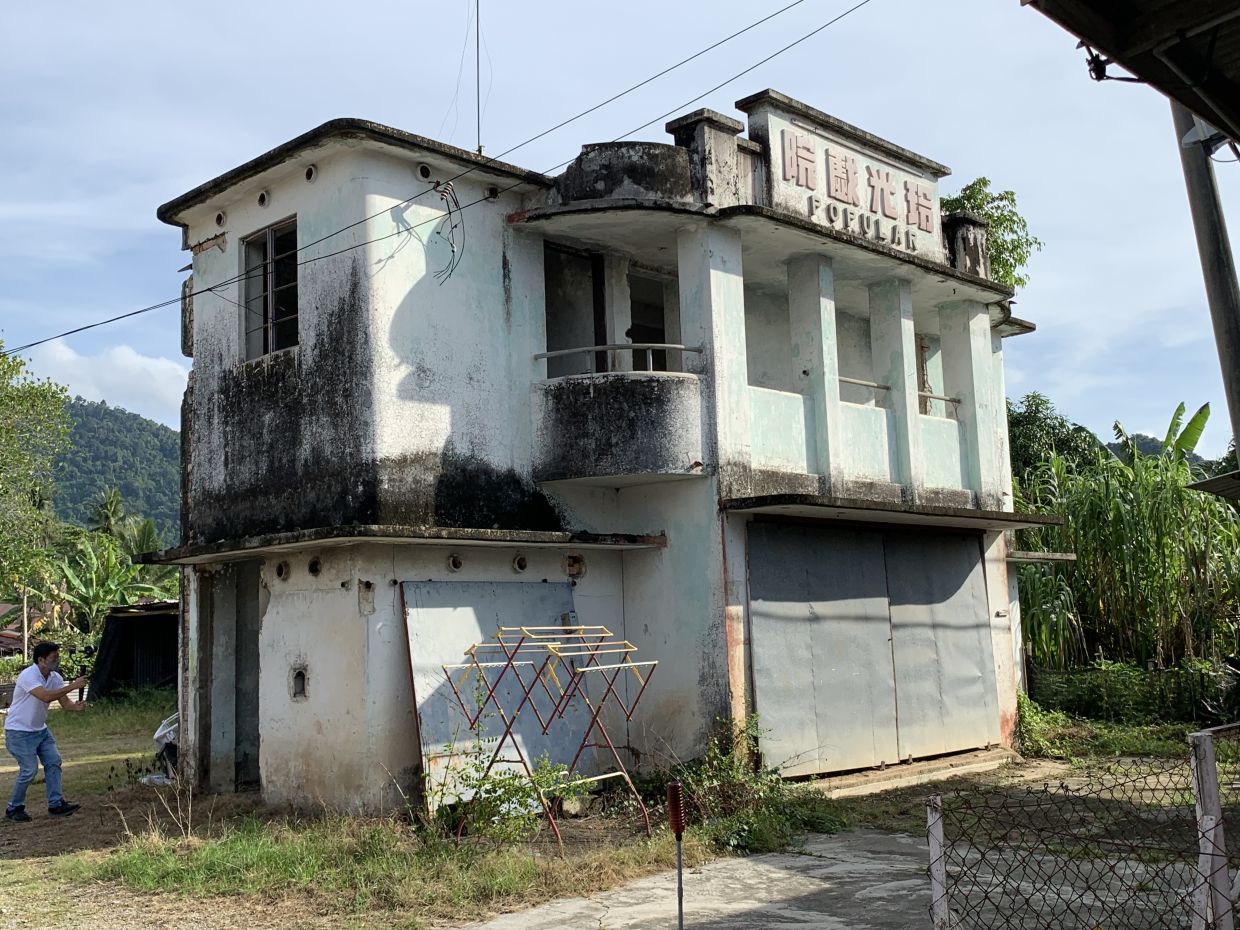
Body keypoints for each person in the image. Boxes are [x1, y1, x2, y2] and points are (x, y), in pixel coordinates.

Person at [4, 641, 88, 823]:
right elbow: (46, 696)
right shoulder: (29, 676)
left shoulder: (55, 678)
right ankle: (14, 808)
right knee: (29, 770)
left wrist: (76, 707)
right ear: (41, 660)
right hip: (18, 731)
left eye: (57, 657)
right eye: (53, 658)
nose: (57, 661)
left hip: (40, 730)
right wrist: (73, 686)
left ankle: (56, 804)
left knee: (53, 762)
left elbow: (65, 703)